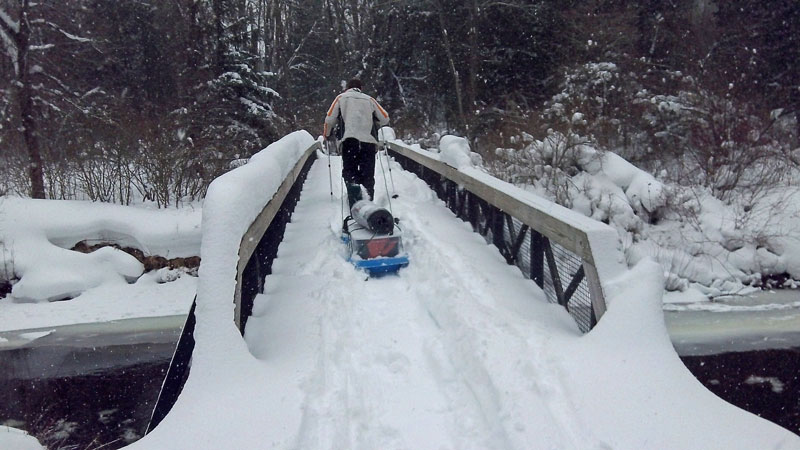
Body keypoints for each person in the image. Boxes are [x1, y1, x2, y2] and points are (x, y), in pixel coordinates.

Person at [324, 78, 390, 208]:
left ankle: (355, 201)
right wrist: (374, 122)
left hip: (349, 141)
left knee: (350, 171)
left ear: (347, 88)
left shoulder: (341, 98)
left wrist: (326, 134)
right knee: (368, 172)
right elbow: (385, 118)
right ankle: (369, 202)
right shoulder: (369, 99)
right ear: (361, 88)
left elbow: (329, 118)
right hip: (368, 142)